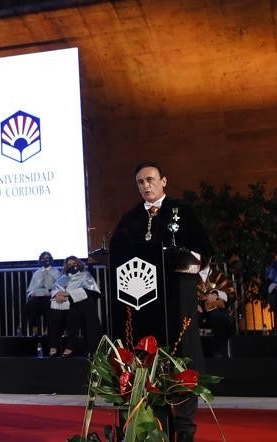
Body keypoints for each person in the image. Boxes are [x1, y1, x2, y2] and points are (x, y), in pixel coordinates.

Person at [109, 162, 212, 442]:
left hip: (177, 300)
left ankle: (186, 432)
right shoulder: (130, 219)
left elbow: (204, 249)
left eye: (151, 180)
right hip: (144, 308)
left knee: (182, 363)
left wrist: (187, 261)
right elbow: (116, 252)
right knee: (149, 366)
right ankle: (155, 430)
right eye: (140, 182)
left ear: (164, 181)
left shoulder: (183, 211)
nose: (146, 186)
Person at [46, 256, 101, 357]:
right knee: (53, 316)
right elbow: (54, 289)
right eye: (69, 264)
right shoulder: (63, 278)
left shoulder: (85, 275)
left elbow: (91, 291)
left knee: (74, 315)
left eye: (74, 264)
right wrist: (57, 294)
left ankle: (71, 346)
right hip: (63, 304)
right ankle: (54, 346)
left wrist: (69, 294)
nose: (72, 266)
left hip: (79, 304)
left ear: (78, 264)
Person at [196, 265, 235, 358]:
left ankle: (219, 351)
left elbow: (231, 294)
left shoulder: (217, 275)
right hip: (195, 309)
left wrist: (216, 294)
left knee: (220, 318)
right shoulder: (190, 275)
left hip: (215, 309)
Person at [25, 251, 59, 340]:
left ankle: (47, 331)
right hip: (37, 295)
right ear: (40, 260)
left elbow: (59, 286)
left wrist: (52, 293)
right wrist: (31, 293)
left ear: (50, 259)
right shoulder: (36, 273)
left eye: (47, 258)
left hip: (50, 295)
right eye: (43, 258)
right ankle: (35, 332)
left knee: (48, 305)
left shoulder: (56, 272)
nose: (45, 260)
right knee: (32, 304)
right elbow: (31, 287)